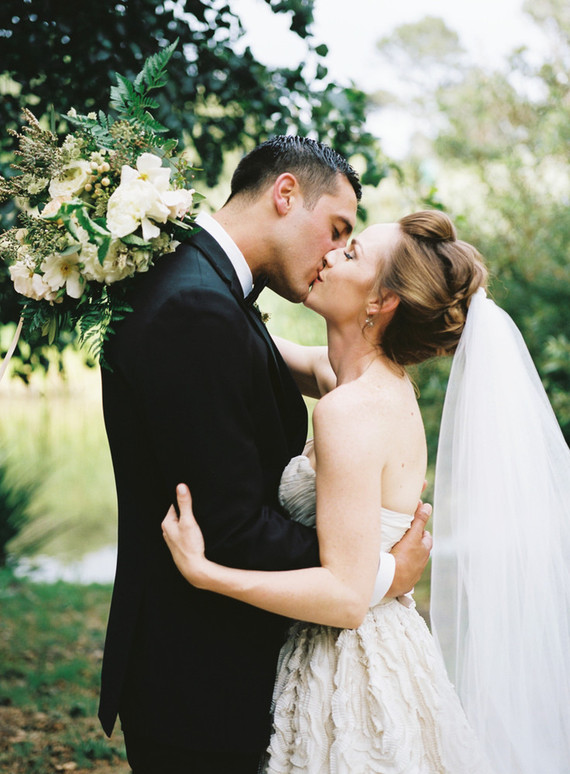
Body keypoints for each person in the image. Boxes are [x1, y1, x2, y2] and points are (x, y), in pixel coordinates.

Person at [98, 136, 432, 774]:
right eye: (336, 229)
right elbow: (231, 530)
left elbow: (289, 366)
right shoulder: (199, 306)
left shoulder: (210, 287)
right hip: (202, 682)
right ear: (285, 194)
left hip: (217, 672)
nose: (335, 253)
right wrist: (379, 573)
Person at [162, 210, 495, 773]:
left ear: (380, 302)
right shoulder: (348, 377)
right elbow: (243, 338)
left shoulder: (351, 410)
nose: (332, 253)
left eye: (353, 251)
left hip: (354, 669)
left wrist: (205, 574)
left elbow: (344, 597)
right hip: (364, 637)